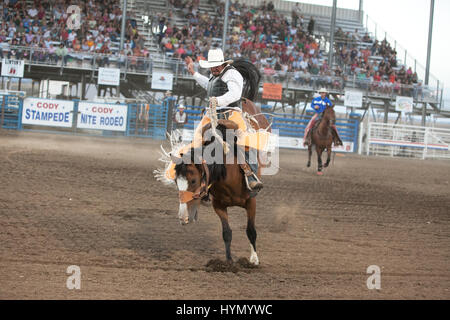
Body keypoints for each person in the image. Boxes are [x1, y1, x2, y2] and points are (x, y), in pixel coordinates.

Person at [174, 48, 263, 191]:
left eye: (216, 65)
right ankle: (191, 170)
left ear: (222, 64)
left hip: (231, 112)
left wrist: (217, 101)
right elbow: (209, 86)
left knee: (243, 140)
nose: (214, 68)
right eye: (212, 65)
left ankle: (250, 173)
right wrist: (194, 73)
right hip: (212, 114)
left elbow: (234, 94)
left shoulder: (232, 74)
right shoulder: (214, 76)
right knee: (196, 139)